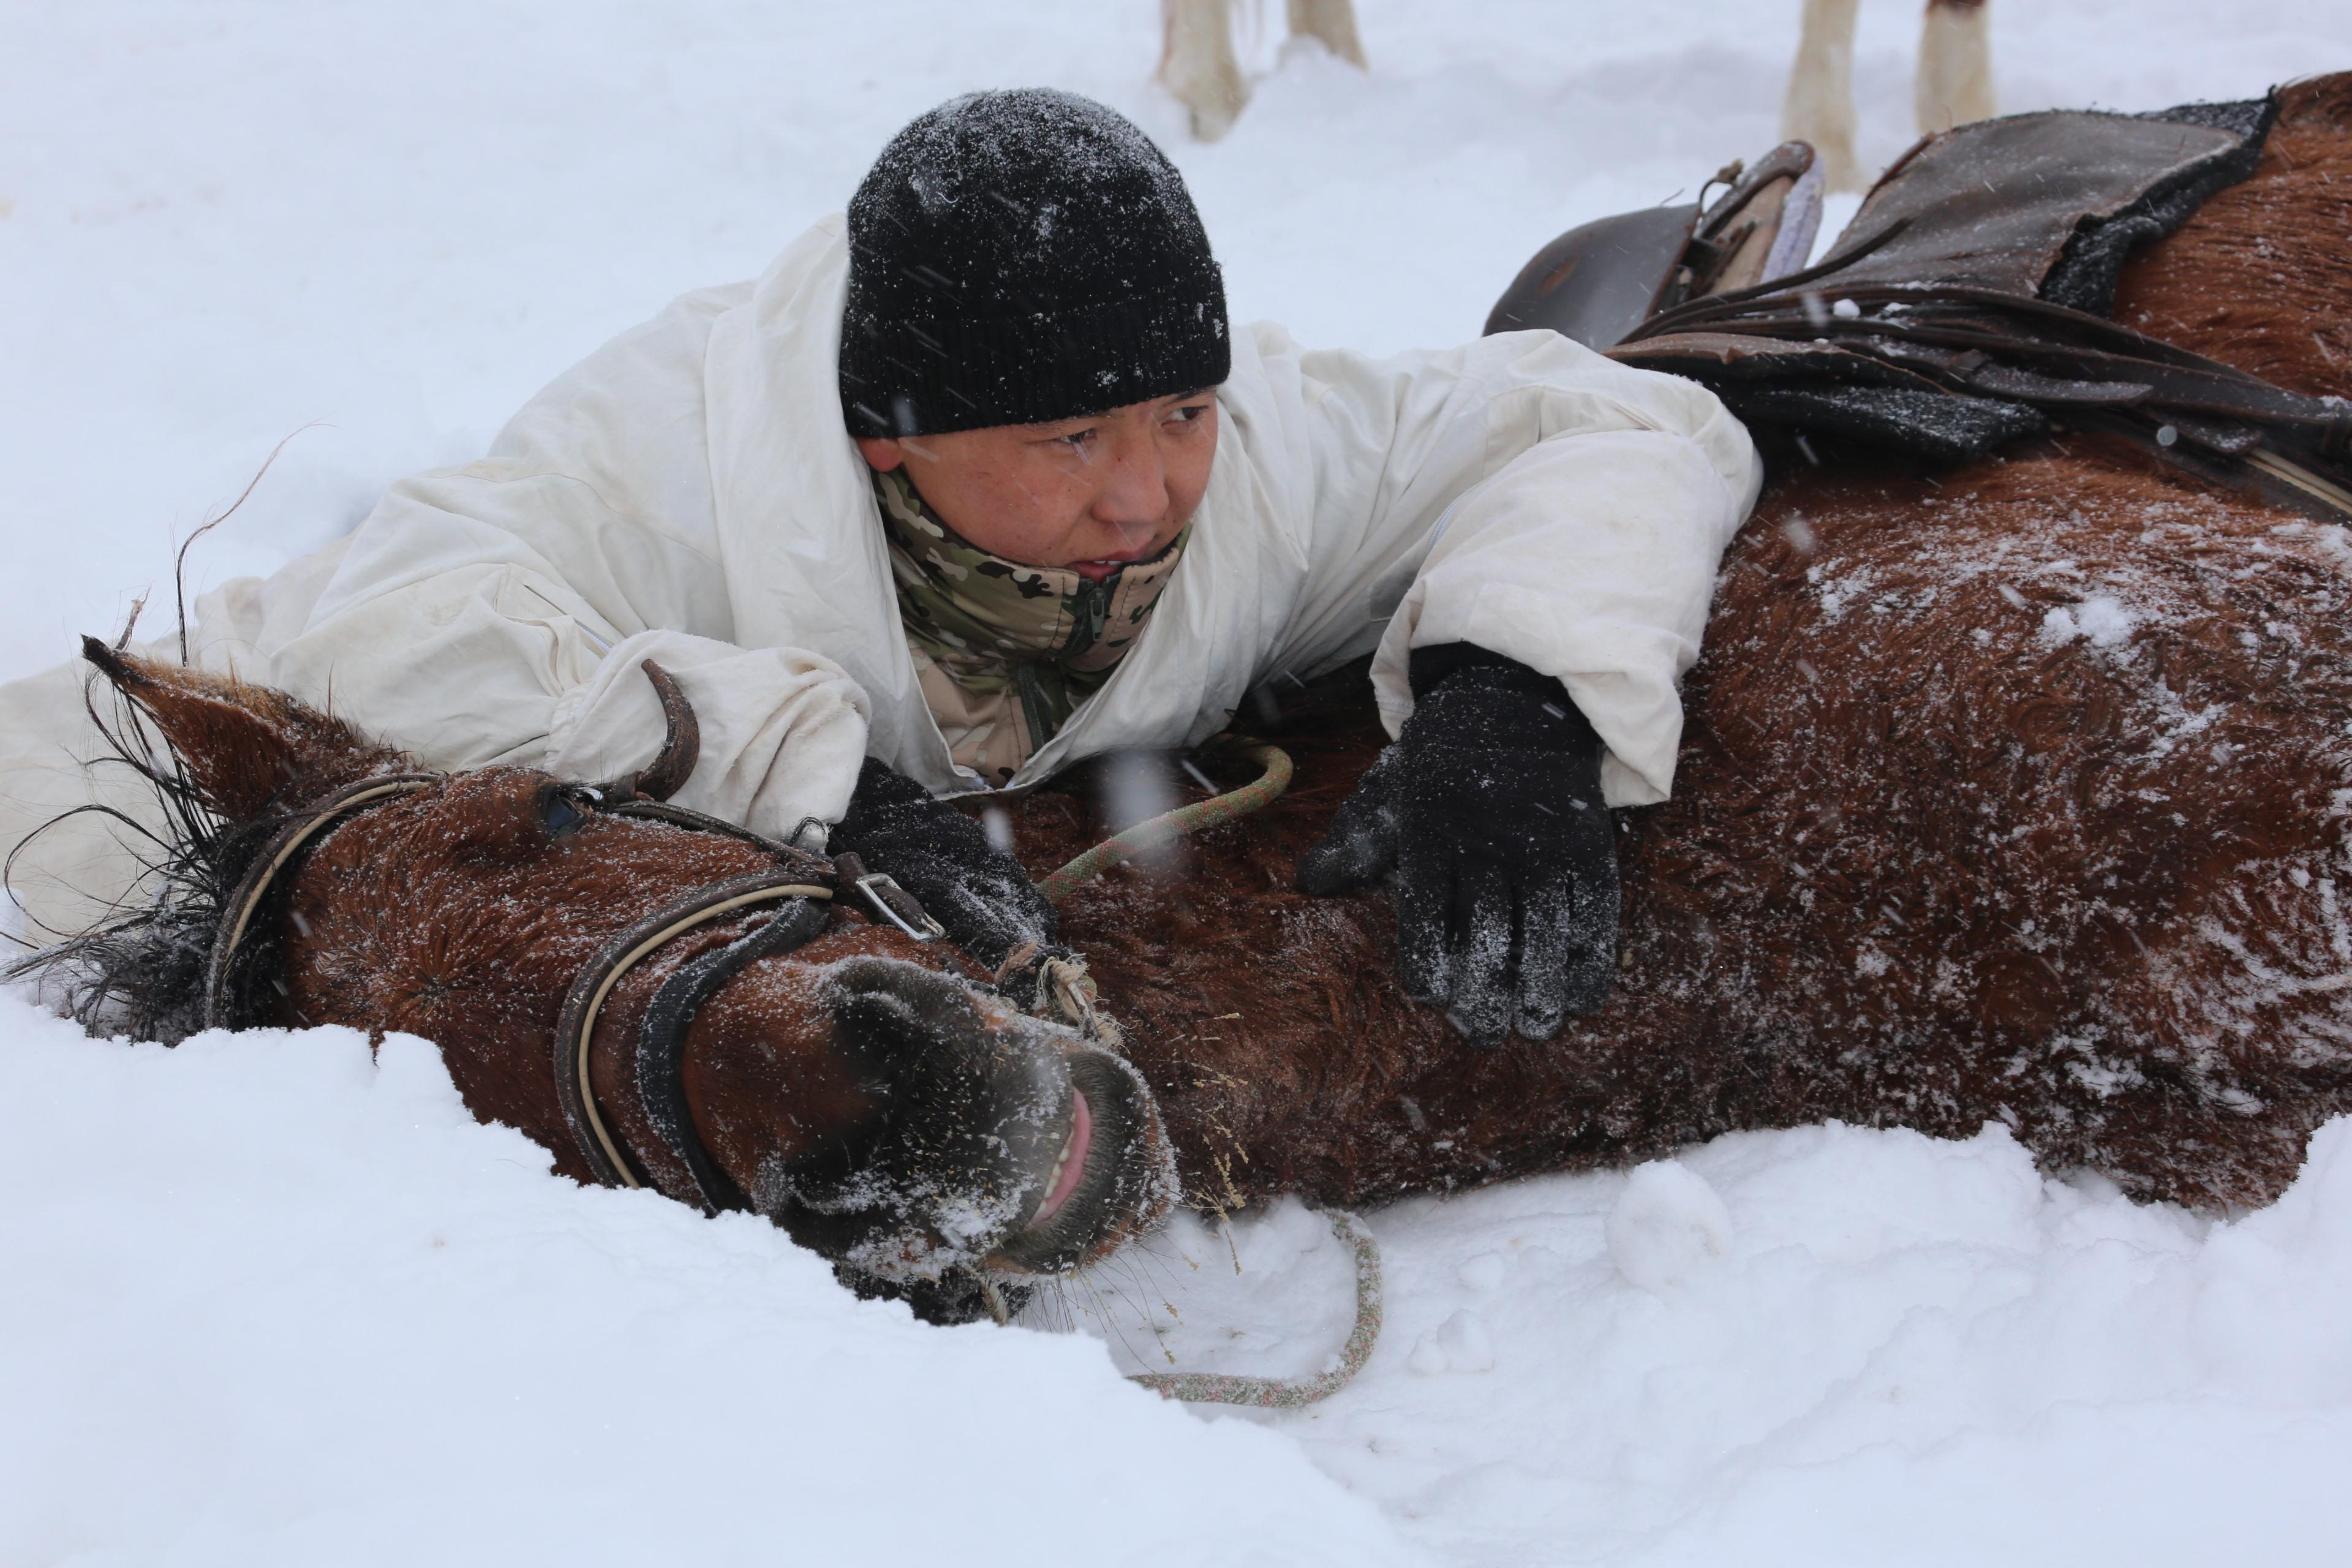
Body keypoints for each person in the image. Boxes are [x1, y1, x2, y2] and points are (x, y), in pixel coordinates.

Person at [2, 89, 1758, 1047]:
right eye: (1073, 441)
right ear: (889, 443)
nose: (1151, 492)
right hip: (121, 772)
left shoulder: (1273, 463)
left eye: (1182, 410)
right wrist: (818, 775)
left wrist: (1514, 695)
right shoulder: (670, 457)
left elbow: (1616, 424)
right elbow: (393, 636)